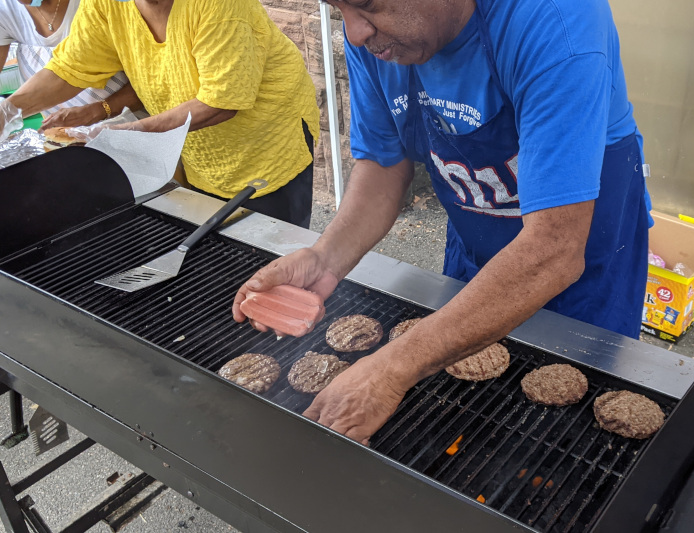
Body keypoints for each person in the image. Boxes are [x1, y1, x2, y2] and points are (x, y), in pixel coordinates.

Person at [233, 0, 652, 443]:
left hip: (583, 267)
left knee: (569, 438)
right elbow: (383, 164)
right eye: (339, 10)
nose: (354, 33)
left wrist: (393, 367)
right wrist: (325, 258)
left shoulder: (555, 19)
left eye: (366, 5)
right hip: (477, 236)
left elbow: (554, 250)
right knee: (469, 417)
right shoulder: (378, 40)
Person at [0, 0, 320, 227]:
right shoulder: (108, 4)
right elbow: (71, 67)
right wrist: (10, 107)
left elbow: (220, 102)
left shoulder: (220, 5)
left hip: (267, 147)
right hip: (200, 154)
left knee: (268, 257)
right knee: (217, 252)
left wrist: (124, 133)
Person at [0, 0, 142, 128]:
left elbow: (153, 81)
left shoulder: (101, 6)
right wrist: (6, 112)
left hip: (135, 125)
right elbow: (65, 70)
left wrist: (100, 110)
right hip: (68, 135)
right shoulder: (5, 9)